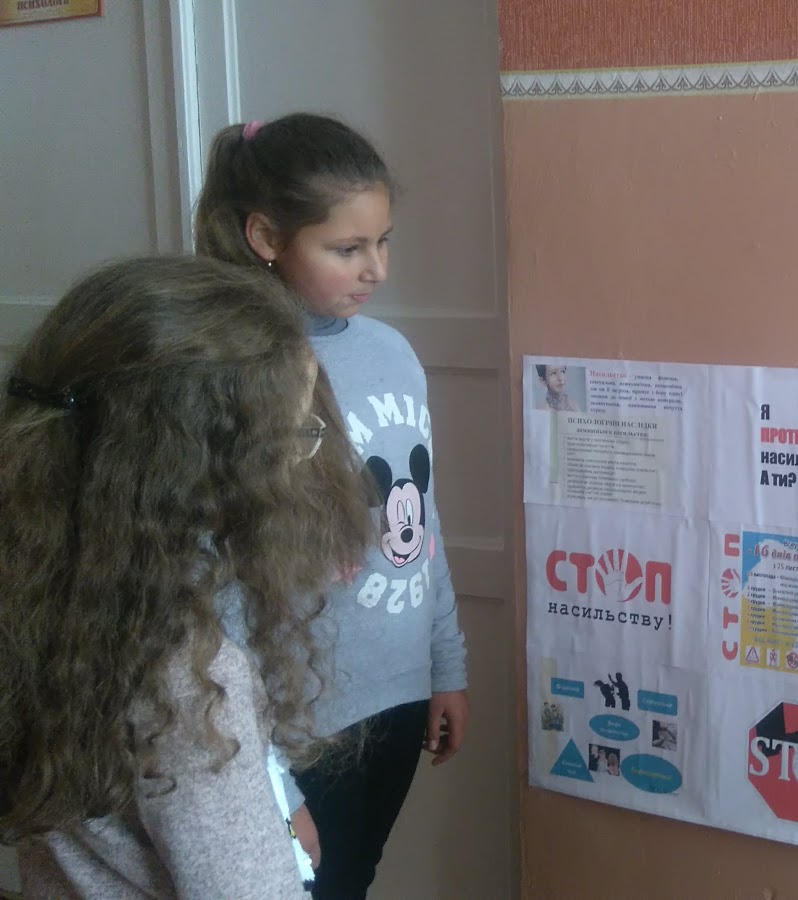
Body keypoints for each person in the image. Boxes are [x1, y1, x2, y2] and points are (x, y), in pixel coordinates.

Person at [0, 257, 371, 898]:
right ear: (200, 466)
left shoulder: (42, 581)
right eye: (294, 436)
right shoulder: (187, 680)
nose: (305, 460)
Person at [195, 112, 471, 899]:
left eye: (383, 242)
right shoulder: (224, 376)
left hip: (397, 698)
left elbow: (422, 522)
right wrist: (270, 781)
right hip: (293, 723)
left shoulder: (391, 354)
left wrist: (446, 665)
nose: (376, 268)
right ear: (265, 236)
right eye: (347, 249)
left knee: (351, 879)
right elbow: (209, 597)